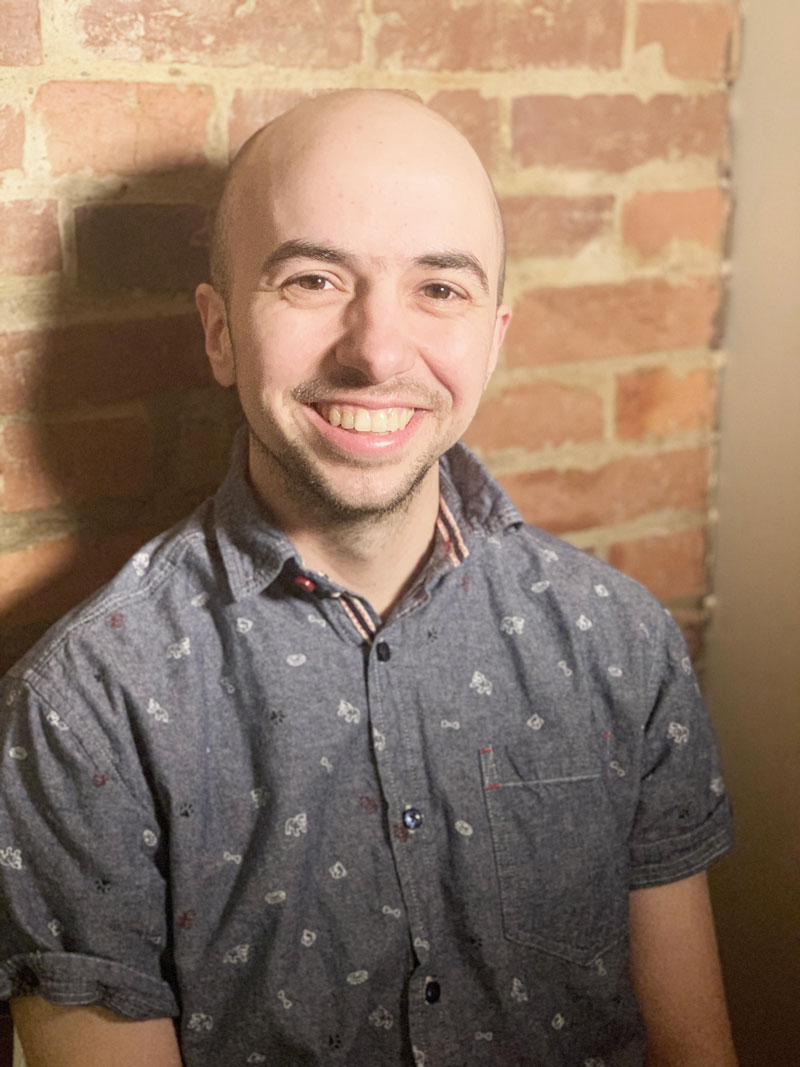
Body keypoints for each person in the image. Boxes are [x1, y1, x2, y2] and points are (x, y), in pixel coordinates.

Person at [0, 89, 736, 1066]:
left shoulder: (619, 640)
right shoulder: (84, 711)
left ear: (493, 336)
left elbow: (694, 1044)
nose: (378, 350)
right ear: (219, 332)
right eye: (310, 279)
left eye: (439, 289)